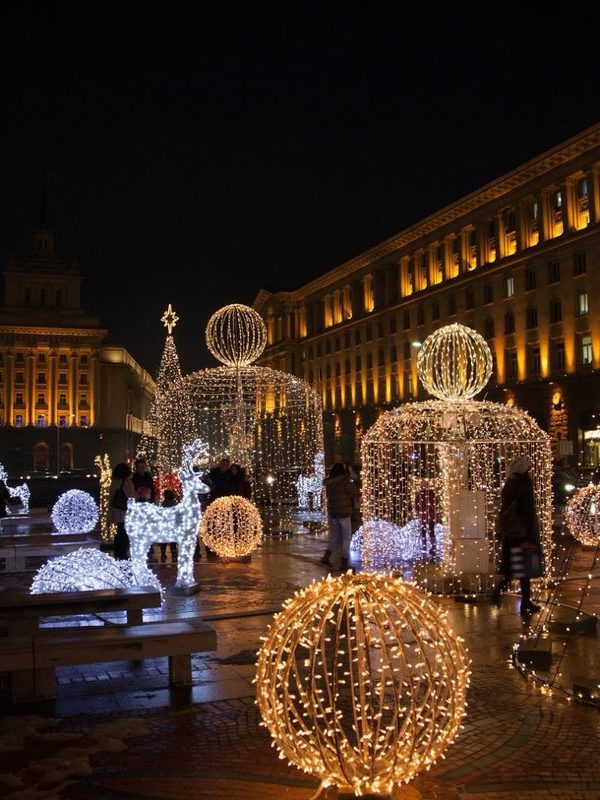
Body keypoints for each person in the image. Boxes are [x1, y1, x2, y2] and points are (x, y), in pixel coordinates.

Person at [492, 456, 542, 617]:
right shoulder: (524, 485)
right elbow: (528, 512)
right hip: (522, 533)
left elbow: (504, 509)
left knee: (511, 567)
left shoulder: (509, 484)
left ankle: (500, 591)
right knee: (524, 569)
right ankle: (525, 602)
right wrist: (531, 534)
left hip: (510, 533)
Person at [320, 462, 359, 571]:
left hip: (333, 513)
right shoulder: (344, 481)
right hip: (343, 513)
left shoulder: (329, 483)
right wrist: (353, 478)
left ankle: (326, 556)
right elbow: (354, 492)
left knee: (338, 536)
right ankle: (344, 564)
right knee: (346, 538)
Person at [108, 462, 136, 559]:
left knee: (119, 531)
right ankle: (123, 553)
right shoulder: (127, 481)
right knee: (124, 532)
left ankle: (118, 552)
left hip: (116, 509)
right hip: (124, 510)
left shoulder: (114, 481)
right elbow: (130, 495)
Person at [415, 484, 438, 558]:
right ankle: (433, 548)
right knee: (431, 531)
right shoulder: (431, 493)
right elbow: (435, 503)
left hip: (423, 515)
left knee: (424, 531)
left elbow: (416, 505)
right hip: (430, 515)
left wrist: (419, 511)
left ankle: (424, 547)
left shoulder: (420, 494)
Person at [159, 488, 179, 564]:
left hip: (165, 525)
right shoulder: (175, 504)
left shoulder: (163, 504)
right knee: (173, 541)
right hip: (173, 525)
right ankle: (174, 553)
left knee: (164, 541)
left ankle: (163, 554)